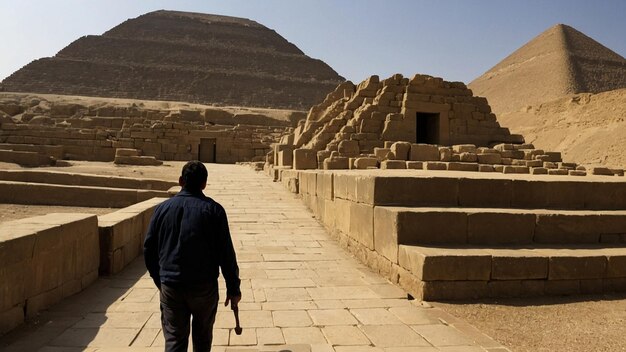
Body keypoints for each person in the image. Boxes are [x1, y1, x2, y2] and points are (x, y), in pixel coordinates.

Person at [144, 160, 241, 352]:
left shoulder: (162, 209)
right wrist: (233, 288)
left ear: (181, 180)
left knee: (174, 341)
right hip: (203, 287)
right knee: (203, 340)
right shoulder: (214, 210)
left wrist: (161, 280)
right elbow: (226, 254)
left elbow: (148, 249)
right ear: (204, 184)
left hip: (171, 285)